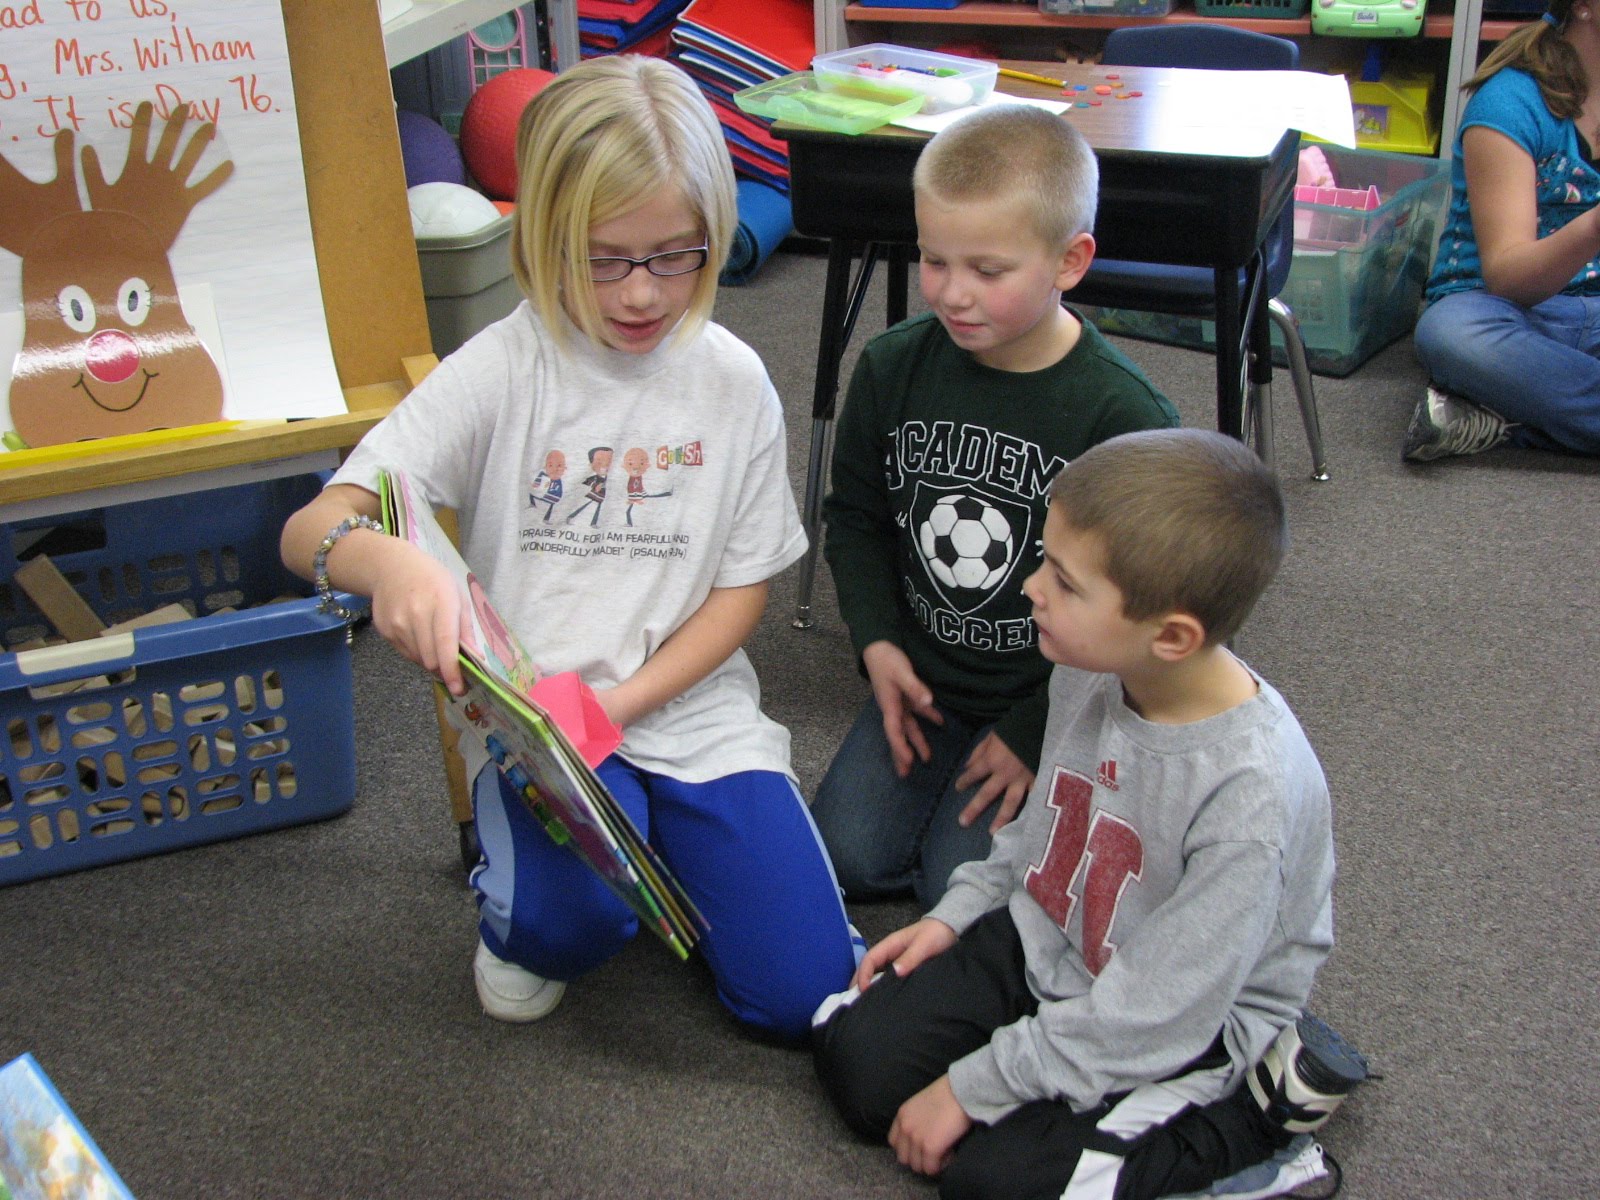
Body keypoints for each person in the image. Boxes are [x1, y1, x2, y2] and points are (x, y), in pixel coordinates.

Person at [280, 55, 859, 1040]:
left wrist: (620, 706)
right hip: (537, 734)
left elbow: (738, 595)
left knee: (803, 998)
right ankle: (530, 901)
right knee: (568, 928)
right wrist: (386, 560)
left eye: (675, 256)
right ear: (544, 238)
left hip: (686, 715)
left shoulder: (733, 379)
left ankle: (666, 849)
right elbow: (309, 530)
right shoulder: (508, 364)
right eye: (602, 258)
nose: (640, 293)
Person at [812, 429, 1367, 1200]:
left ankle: (1263, 1130)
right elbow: (1043, 835)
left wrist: (975, 1088)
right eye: (1045, 560)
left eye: (1065, 583)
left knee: (991, 1182)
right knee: (859, 1067)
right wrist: (958, 915)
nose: (1033, 587)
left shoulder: (1250, 797)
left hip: (1182, 1019)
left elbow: (1157, 1014)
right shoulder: (1092, 665)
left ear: (1171, 637)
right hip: (1060, 933)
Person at [812, 104, 1178, 912]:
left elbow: (1142, 615)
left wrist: (1036, 726)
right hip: (924, 681)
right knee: (847, 859)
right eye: (933, 260)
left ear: (1069, 261)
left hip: (1057, 700)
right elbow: (858, 520)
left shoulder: (1125, 418)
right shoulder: (891, 367)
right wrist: (876, 643)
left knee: (962, 891)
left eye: (987, 270)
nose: (951, 294)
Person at [1407, 0, 1600, 461]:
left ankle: (1498, 419)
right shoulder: (1509, 102)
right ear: (1584, 6)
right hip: (1498, 308)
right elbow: (1510, 278)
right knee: (1451, 336)